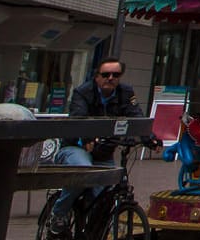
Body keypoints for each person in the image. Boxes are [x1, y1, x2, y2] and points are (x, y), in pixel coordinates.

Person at [44, 57, 145, 235]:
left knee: (108, 189)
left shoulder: (125, 93)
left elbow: (136, 116)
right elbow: (79, 118)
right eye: (106, 74)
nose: (110, 78)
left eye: (116, 74)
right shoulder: (83, 92)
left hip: (103, 152)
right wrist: (88, 137)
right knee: (84, 172)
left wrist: (150, 138)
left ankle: (93, 230)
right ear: (97, 76)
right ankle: (58, 213)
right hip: (76, 147)